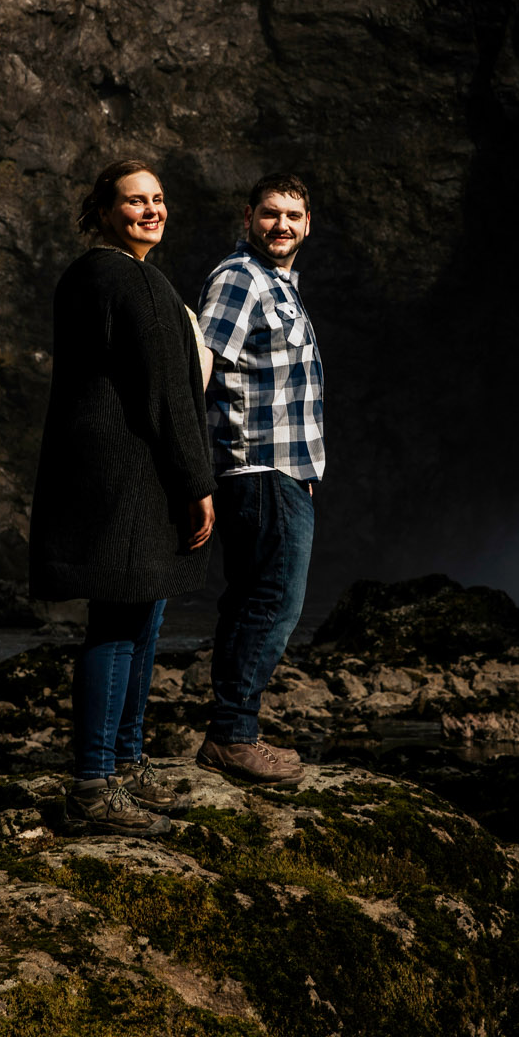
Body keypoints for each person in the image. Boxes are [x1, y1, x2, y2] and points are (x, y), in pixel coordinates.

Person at [29, 159, 215, 836]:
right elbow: (168, 396)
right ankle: (94, 782)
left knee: (139, 618)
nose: (151, 210)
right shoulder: (134, 279)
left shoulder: (82, 276)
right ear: (103, 209)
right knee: (119, 627)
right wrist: (197, 484)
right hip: (132, 478)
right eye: (135, 201)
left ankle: (125, 766)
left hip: (97, 474)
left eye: (159, 199)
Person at [194, 173, 324, 785]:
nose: (282, 225)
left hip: (282, 471)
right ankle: (233, 736)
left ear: (307, 224)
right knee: (274, 601)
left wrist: (305, 471)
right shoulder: (240, 277)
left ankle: (233, 731)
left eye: (293, 216)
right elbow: (203, 365)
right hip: (255, 469)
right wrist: (192, 465)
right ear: (247, 216)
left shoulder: (282, 285)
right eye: (270, 214)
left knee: (254, 597)